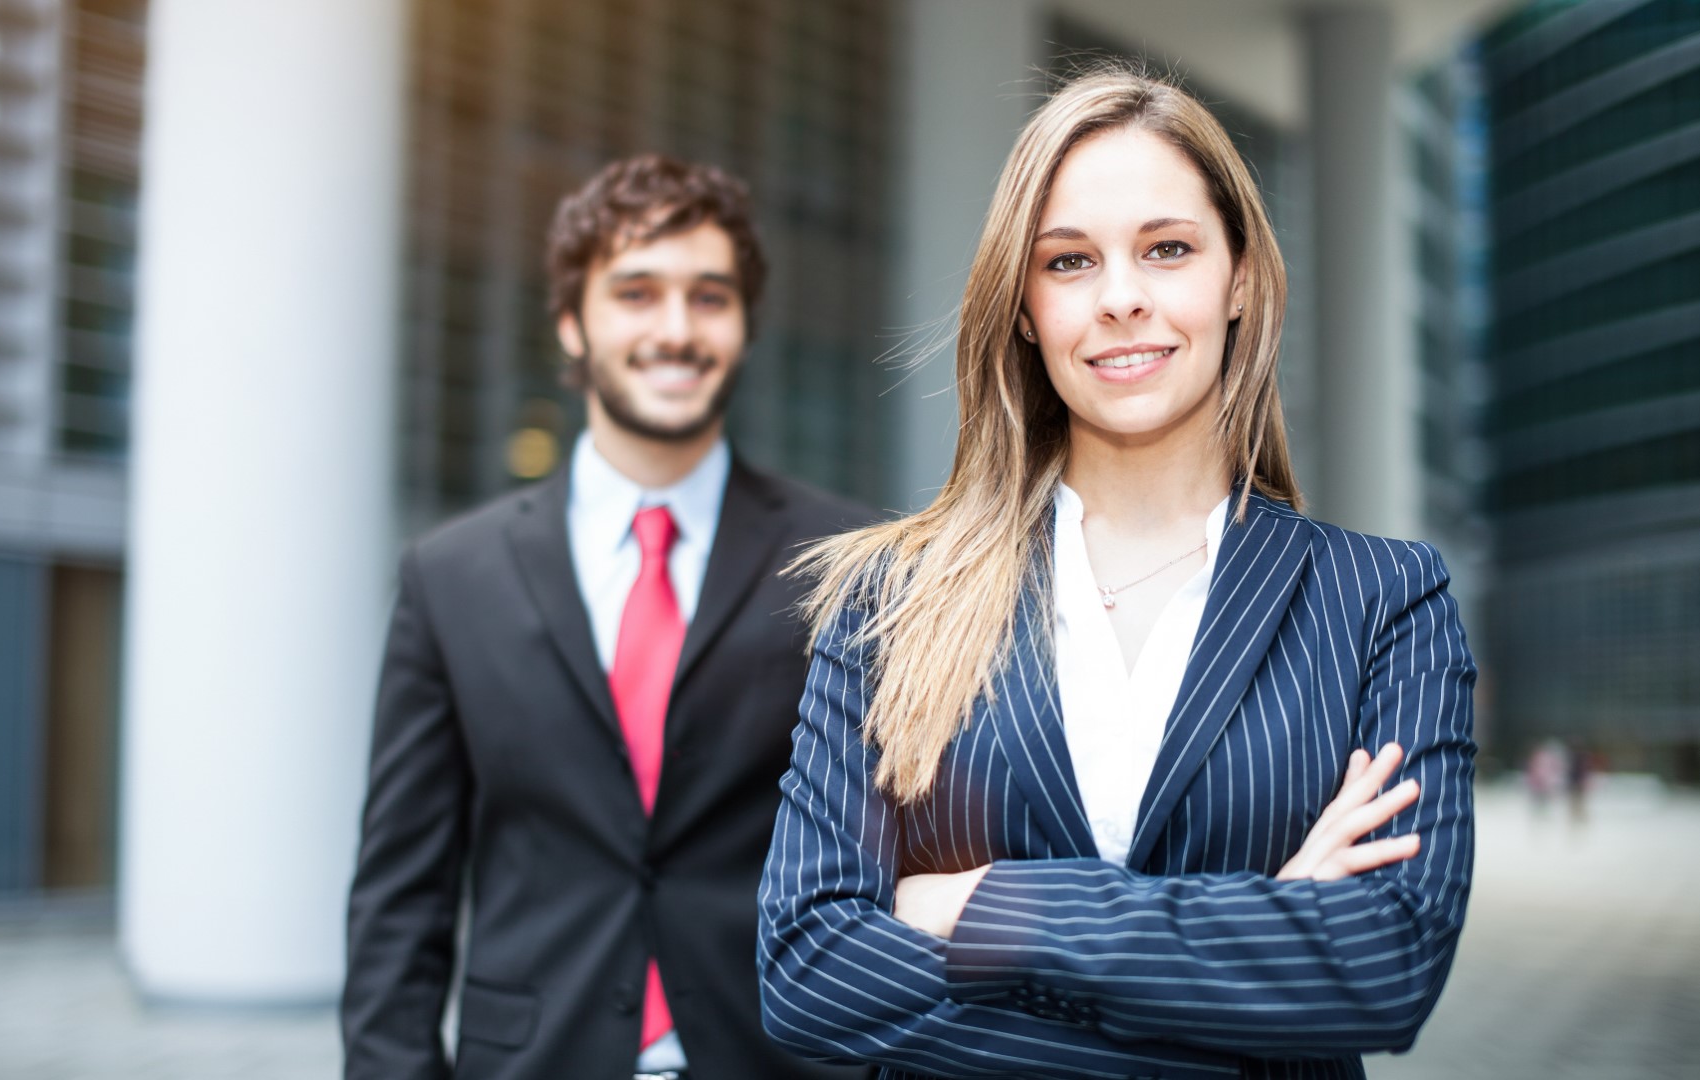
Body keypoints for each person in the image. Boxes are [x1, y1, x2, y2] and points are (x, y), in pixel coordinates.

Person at [759, 68, 1477, 1079]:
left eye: (1167, 249)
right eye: (1067, 262)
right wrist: (1260, 948)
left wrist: (973, 905)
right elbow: (806, 972)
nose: (1120, 298)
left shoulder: (1383, 602)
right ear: (1020, 309)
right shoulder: (889, 597)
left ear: (1238, 279)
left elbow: (1384, 965)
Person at [343, 154, 868, 1080]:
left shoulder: (847, 560)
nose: (676, 329)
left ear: (745, 328)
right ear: (570, 326)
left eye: (710, 297)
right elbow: (402, 900)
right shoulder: (450, 576)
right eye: (636, 293)